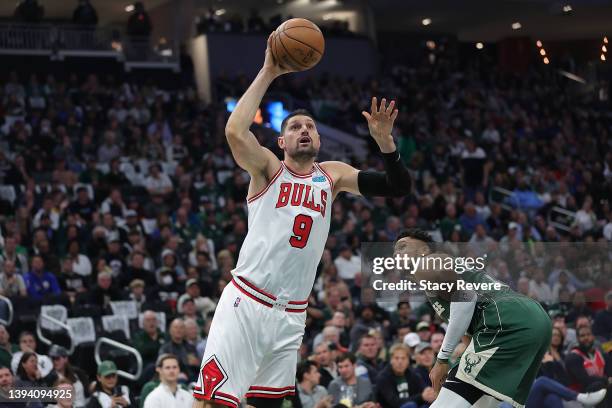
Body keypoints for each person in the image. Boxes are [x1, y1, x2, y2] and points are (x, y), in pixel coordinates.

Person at [192, 32, 410, 408]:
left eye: (310, 126)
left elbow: (397, 186)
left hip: (292, 313)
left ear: (320, 141)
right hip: (247, 301)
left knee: (269, 405)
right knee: (212, 402)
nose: (304, 130)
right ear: (281, 143)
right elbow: (233, 132)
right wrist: (268, 71)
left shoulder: (333, 175)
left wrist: (386, 144)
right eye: (294, 127)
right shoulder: (267, 170)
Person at [394, 229, 553, 408]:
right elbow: (468, 330)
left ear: (423, 250)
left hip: (505, 321)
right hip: (534, 320)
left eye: (402, 247)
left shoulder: (426, 264)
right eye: (394, 251)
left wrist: (442, 359)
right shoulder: (439, 273)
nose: (396, 253)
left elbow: (466, 297)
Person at [375, 343, 435, 408]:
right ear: (391, 360)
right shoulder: (383, 377)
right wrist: (421, 397)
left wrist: (428, 392)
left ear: (408, 361)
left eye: (403, 358)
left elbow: (423, 389)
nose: (400, 362)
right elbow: (394, 402)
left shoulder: (412, 374)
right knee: (410, 405)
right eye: (396, 358)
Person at [565, 325, 611, 393]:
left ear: (593, 337)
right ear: (577, 338)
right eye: (582, 336)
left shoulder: (600, 354)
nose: (586, 337)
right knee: (598, 386)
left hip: (600, 389)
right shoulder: (573, 357)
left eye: (588, 334)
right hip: (579, 395)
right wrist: (606, 380)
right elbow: (585, 380)